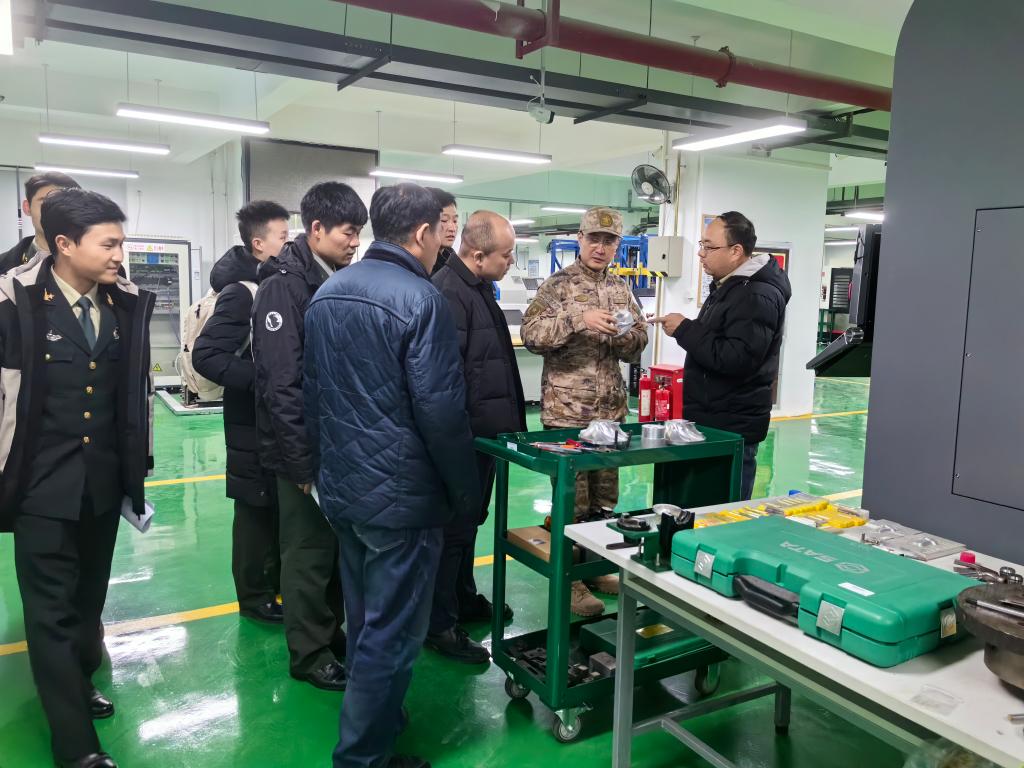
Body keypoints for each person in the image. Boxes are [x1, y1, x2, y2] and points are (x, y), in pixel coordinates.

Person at [304, 183, 480, 768]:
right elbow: (442, 412)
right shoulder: (421, 299)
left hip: (345, 490)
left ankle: (380, 720)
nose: (442, 244)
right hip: (402, 500)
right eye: (440, 233)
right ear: (422, 233)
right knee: (394, 631)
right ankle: (363, 757)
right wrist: (464, 490)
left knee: (364, 621)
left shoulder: (328, 291)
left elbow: (312, 395)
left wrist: (322, 474)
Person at [0, 189, 154, 768]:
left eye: (121, 243)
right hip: (39, 487)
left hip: (102, 486)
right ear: (64, 244)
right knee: (50, 614)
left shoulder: (124, 305)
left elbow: (131, 398)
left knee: (88, 604)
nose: (120, 255)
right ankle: (75, 746)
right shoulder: (15, 303)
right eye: (108, 244)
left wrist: (135, 474)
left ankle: (79, 681)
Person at [251, 182, 367, 691]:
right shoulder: (285, 286)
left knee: (333, 551)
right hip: (303, 451)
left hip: (334, 445)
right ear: (316, 228)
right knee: (306, 553)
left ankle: (327, 631)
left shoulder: (330, 277)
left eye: (359, 233)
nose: (355, 242)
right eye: (348, 232)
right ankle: (308, 653)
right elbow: (281, 384)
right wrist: (300, 462)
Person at [521, 206, 647, 617]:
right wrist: (578, 318)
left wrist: (626, 336)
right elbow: (531, 334)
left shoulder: (620, 287)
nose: (600, 247)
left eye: (609, 241)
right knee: (572, 501)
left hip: (609, 413)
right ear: (580, 239)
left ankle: (594, 567)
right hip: (567, 412)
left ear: (618, 245)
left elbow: (639, 339)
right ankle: (570, 578)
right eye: (594, 239)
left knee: (604, 500)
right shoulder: (557, 286)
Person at [425, 211, 524, 664]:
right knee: (451, 532)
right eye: (507, 255)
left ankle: (463, 597)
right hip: (462, 441)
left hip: (483, 438)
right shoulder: (449, 293)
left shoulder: (477, 288)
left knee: (468, 526)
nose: (511, 262)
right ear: (478, 255)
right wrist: (457, 442)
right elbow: (445, 380)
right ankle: (439, 624)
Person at [193, 200, 290, 624]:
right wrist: (263, 379)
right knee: (254, 510)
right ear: (258, 244)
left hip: (270, 420)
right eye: (283, 237)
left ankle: (273, 587)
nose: (290, 244)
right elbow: (207, 356)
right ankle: (254, 598)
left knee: (272, 508)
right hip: (250, 422)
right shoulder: (242, 292)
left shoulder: (274, 284)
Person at [652, 211, 790, 501]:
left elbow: (736, 359)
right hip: (714, 421)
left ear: (736, 251)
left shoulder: (756, 294)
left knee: (721, 514)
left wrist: (685, 330)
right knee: (698, 509)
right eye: (701, 245)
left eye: (709, 246)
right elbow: (722, 340)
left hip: (730, 428)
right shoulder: (731, 286)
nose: (701, 254)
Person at [0, 171, 81, 274]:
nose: (57, 211)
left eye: (67, 204)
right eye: (46, 203)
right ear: (27, 208)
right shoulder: (3, 266)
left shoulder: (97, 262)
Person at [426, 187, 458, 276]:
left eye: (455, 221)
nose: (452, 228)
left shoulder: (452, 259)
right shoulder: (424, 265)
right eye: (444, 220)